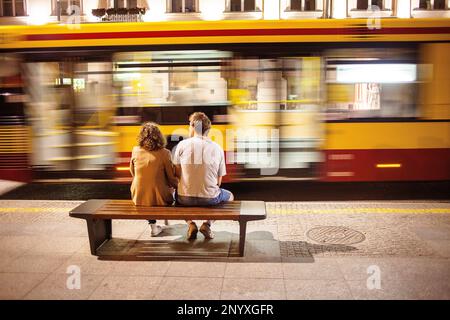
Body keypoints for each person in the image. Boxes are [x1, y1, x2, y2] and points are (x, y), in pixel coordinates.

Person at [173, 112, 234, 240]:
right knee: (230, 196)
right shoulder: (217, 148)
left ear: (193, 126)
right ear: (208, 130)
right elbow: (219, 181)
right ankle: (207, 224)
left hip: (184, 198)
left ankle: (190, 224)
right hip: (210, 198)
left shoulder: (182, 145)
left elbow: (177, 175)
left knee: (174, 195)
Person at [130, 122, 178, 236]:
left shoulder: (135, 150)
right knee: (168, 189)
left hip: (138, 197)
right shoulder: (165, 153)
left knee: (148, 191)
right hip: (160, 198)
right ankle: (164, 218)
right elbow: (171, 178)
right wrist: (178, 187)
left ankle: (153, 226)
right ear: (159, 137)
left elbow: (132, 172)